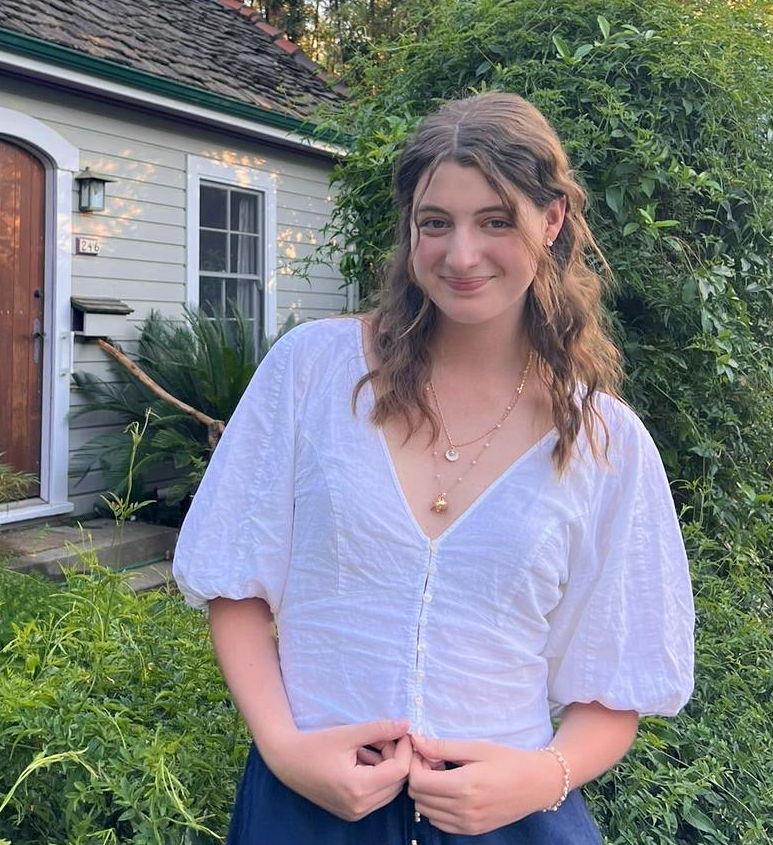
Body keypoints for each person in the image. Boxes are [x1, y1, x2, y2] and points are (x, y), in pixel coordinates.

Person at [172, 91, 696, 844]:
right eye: (435, 222)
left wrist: (541, 776)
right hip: (308, 806)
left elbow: (617, 679)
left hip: (510, 820)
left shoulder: (604, 442)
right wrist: (284, 750)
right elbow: (235, 584)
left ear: (551, 220)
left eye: (496, 220)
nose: (461, 255)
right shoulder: (312, 373)